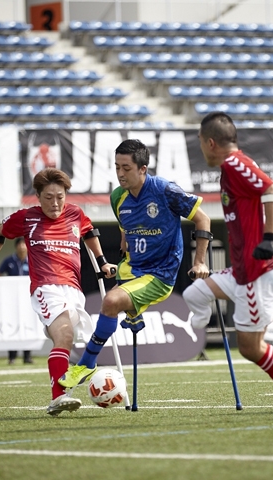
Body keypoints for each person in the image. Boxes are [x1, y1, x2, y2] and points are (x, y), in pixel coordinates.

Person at [183, 112, 273, 419]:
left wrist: (270, 238)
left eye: (200, 142)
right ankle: (197, 327)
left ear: (211, 142)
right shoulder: (229, 168)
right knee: (195, 293)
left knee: (250, 347)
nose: (201, 149)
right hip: (240, 272)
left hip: (257, 272)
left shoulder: (236, 164)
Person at [59, 139, 211, 388]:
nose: (120, 174)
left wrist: (200, 262)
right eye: (116, 167)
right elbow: (125, 223)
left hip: (159, 274)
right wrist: (124, 239)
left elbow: (203, 219)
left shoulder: (165, 190)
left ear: (143, 168)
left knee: (110, 301)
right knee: (116, 301)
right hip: (130, 268)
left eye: (126, 168)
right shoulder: (118, 197)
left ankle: (86, 364)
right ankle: (134, 314)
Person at [0, 168, 116, 416]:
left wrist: (103, 261)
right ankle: (58, 397)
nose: (55, 203)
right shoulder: (26, 217)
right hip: (45, 286)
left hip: (73, 288)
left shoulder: (75, 213)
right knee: (64, 336)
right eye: (49, 197)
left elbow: (89, 233)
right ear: (38, 197)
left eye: (60, 196)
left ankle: (67, 380)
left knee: (67, 339)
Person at [0, 237, 33, 365]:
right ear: (16, 246)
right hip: (11, 300)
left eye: (24, 244)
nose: (22, 247)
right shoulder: (9, 260)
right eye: (20, 244)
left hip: (29, 299)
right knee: (12, 325)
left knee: (28, 325)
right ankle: (12, 357)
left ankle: (27, 356)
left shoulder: (33, 260)